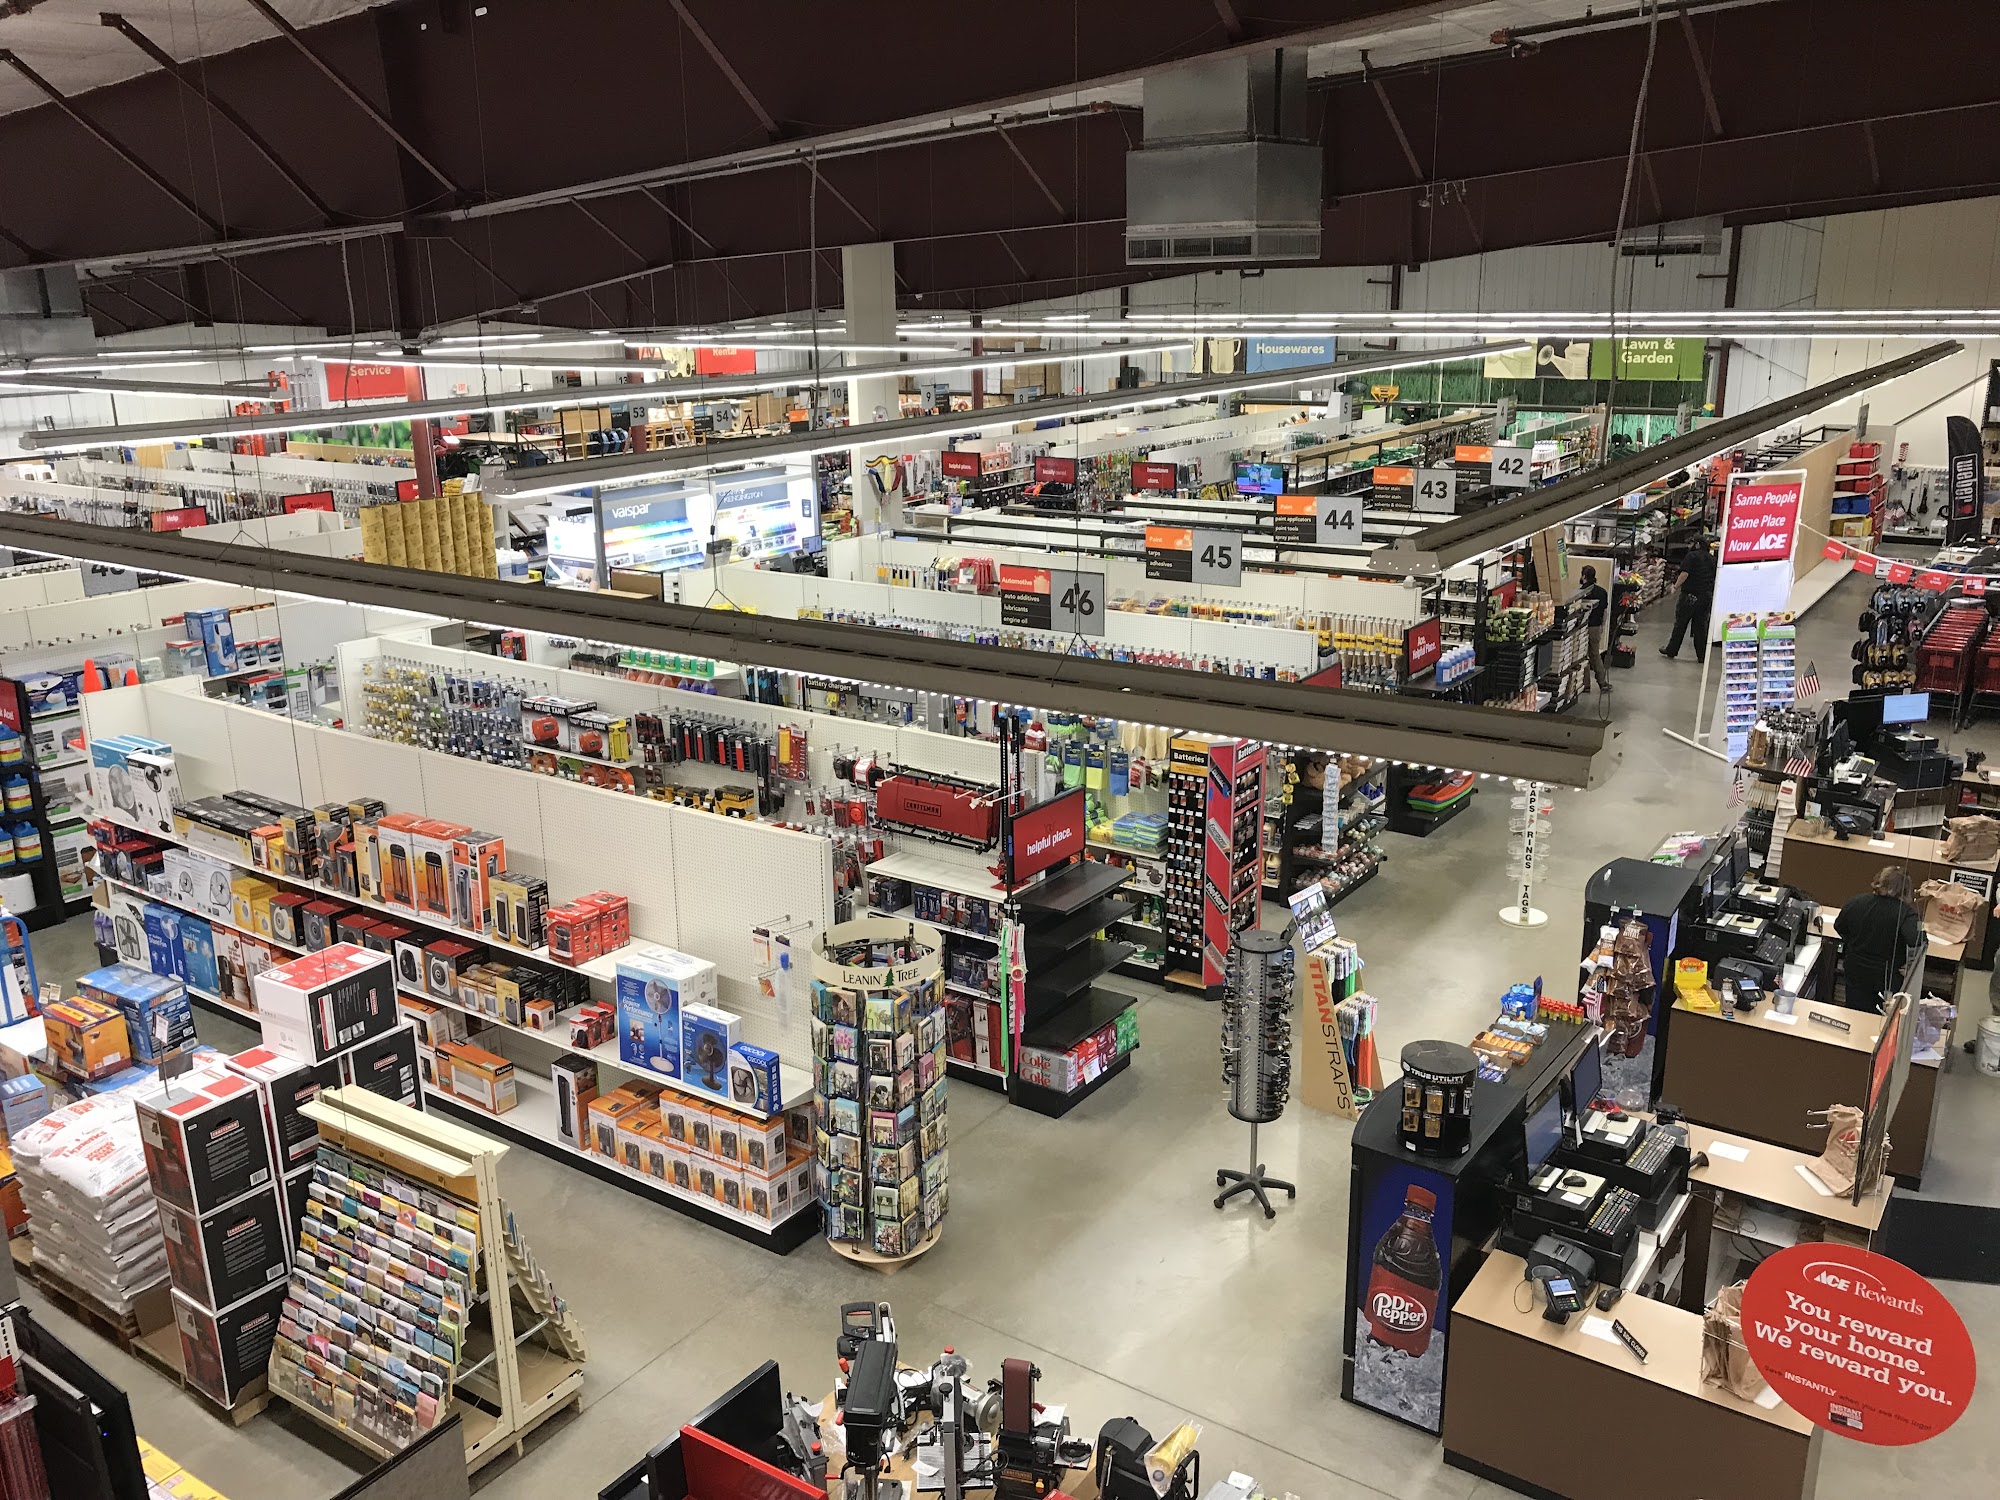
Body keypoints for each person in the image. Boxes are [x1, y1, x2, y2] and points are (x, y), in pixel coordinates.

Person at [1834, 868, 1923, 1013]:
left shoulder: (1857, 901)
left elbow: (1839, 925)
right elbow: (1918, 940)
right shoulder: (1907, 914)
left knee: (1854, 1012)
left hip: (1855, 969)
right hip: (1886, 976)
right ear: (1906, 890)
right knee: (1884, 1016)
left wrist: (1853, 942)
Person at [1659, 534, 1718, 662]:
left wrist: (1675, 586)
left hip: (1690, 595)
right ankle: (1702, 655)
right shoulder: (1712, 559)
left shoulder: (1691, 556)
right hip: (1705, 596)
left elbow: (1684, 573)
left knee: (1681, 624)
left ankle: (1672, 650)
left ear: (1697, 544)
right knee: (1700, 626)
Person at [1576, 565, 1611, 693]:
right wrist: (1602, 625)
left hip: (1583, 628)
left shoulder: (1580, 593)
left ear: (1583, 576)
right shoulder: (1602, 592)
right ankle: (1602, 682)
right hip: (1596, 627)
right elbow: (1605, 611)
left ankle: (1585, 684)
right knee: (1595, 655)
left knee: (1583, 657)